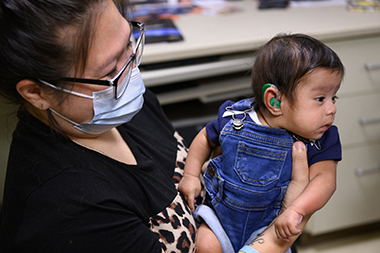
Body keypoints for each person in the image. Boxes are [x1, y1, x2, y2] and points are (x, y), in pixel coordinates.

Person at [0, 0, 311, 252]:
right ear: (37, 93)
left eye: (129, 44)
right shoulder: (67, 210)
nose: (133, 71)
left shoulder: (121, 106)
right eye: (111, 69)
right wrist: (284, 227)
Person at [178, 33, 345, 253]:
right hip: (220, 218)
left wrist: (296, 210)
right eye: (320, 99)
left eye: (334, 97)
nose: (331, 108)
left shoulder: (321, 140)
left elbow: (325, 181)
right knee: (205, 246)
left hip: (271, 227)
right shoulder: (235, 118)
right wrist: (190, 176)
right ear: (275, 100)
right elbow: (204, 138)